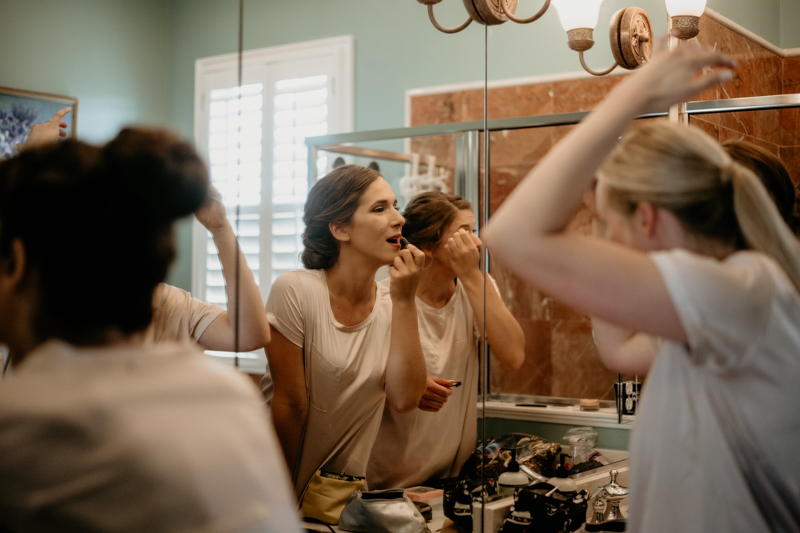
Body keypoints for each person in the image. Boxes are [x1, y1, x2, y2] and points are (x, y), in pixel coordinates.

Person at [484, 41, 800, 533]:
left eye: (610, 225)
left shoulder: (739, 295)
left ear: (647, 219)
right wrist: (601, 207)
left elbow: (510, 235)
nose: (604, 243)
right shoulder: (710, 314)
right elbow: (621, 349)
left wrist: (631, 98)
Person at [0, 129, 301, 533]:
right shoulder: (228, 396)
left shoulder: (22, 422)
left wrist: (221, 230)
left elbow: (249, 334)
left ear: (15, 263)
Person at [264, 164, 428, 503]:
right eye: (380, 209)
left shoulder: (394, 298)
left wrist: (406, 300)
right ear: (340, 228)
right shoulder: (295, 290)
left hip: (343, 502)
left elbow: (405, 400)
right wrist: (279, 503)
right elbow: (291, 405)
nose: (399, 219)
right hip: (278, 489)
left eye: (395, 206)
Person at [366, 192, 525, 489]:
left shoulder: (476, 288)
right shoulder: (384, 299)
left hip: (450, 476)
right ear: (429, 246)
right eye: (464, 234)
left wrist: (472, 276)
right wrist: (403, 388)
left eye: (474, 232)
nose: (476, 243)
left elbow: (514, 354)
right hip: (387, 479)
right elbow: (354, 387)